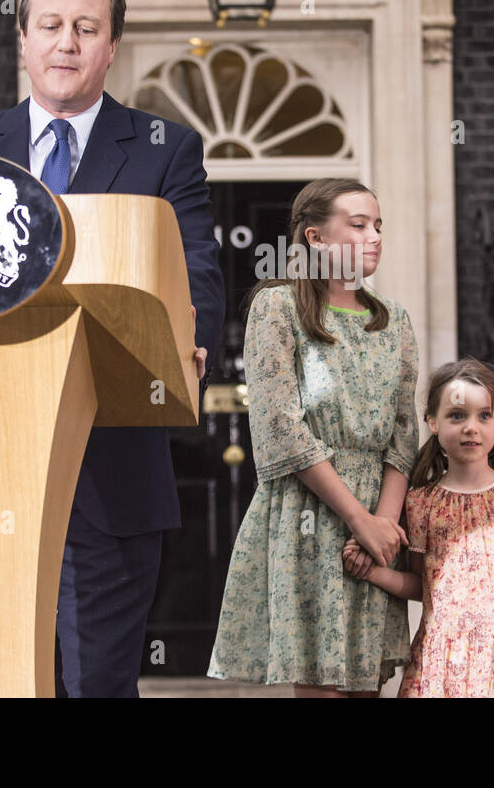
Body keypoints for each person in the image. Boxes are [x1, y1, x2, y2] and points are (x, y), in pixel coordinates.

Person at [0, 0, 224, 697]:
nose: (67, 43)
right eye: (50, 25)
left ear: (112, 47)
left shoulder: (164, 148)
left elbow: (195, 266)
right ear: (23, 39)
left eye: (87, 27)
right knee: (0, 681)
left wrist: (188, 337)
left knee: (95, 683)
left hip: (110, 469)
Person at [207, 178, 417, 696]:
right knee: (321, 684)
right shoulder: (277, 308)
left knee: (367, 685)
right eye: (359, 224)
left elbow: (404, 432)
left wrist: (383, 526)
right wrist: (356, 519)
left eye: (379, 226)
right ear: (315, 237)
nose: (375, 236)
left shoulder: (394, 321)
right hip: (313, 513)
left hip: (376, 517)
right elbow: (281, 426)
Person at [343, 358, 494, 697]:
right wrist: (371, 573)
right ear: (433, 422)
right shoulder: (421, 503)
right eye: (457, 415)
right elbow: (420, 585)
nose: (472, 427)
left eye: (484, 415)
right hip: (446, 664)